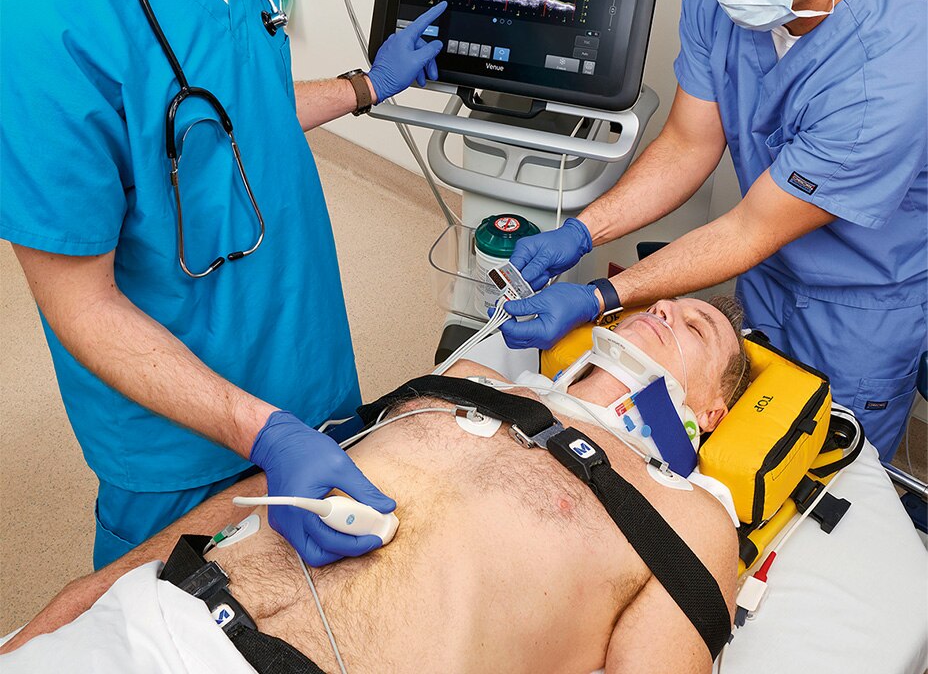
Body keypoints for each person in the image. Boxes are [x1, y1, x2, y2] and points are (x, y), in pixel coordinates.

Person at [0, 0, 446, 572]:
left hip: (308, 367)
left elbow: (228, 117)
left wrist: (367, 87)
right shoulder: (38, 12)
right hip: (184, 440)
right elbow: (82, 307)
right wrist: (259, 430)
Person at [499, 0, 927, 462]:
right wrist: (584, 231)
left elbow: (750, 228)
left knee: (818, 472)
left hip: (860, 308)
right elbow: (687, 144)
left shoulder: (891, 73)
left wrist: (601, 295)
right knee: (723, 446)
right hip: (765, 275)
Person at [1, 296, 749, 673]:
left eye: (697, 327)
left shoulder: (691, 517)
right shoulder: (471, 378)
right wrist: (86, 592)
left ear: (711, 413)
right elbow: (269, 486)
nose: (665, 309)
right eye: (661, 304)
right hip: (155, 616)